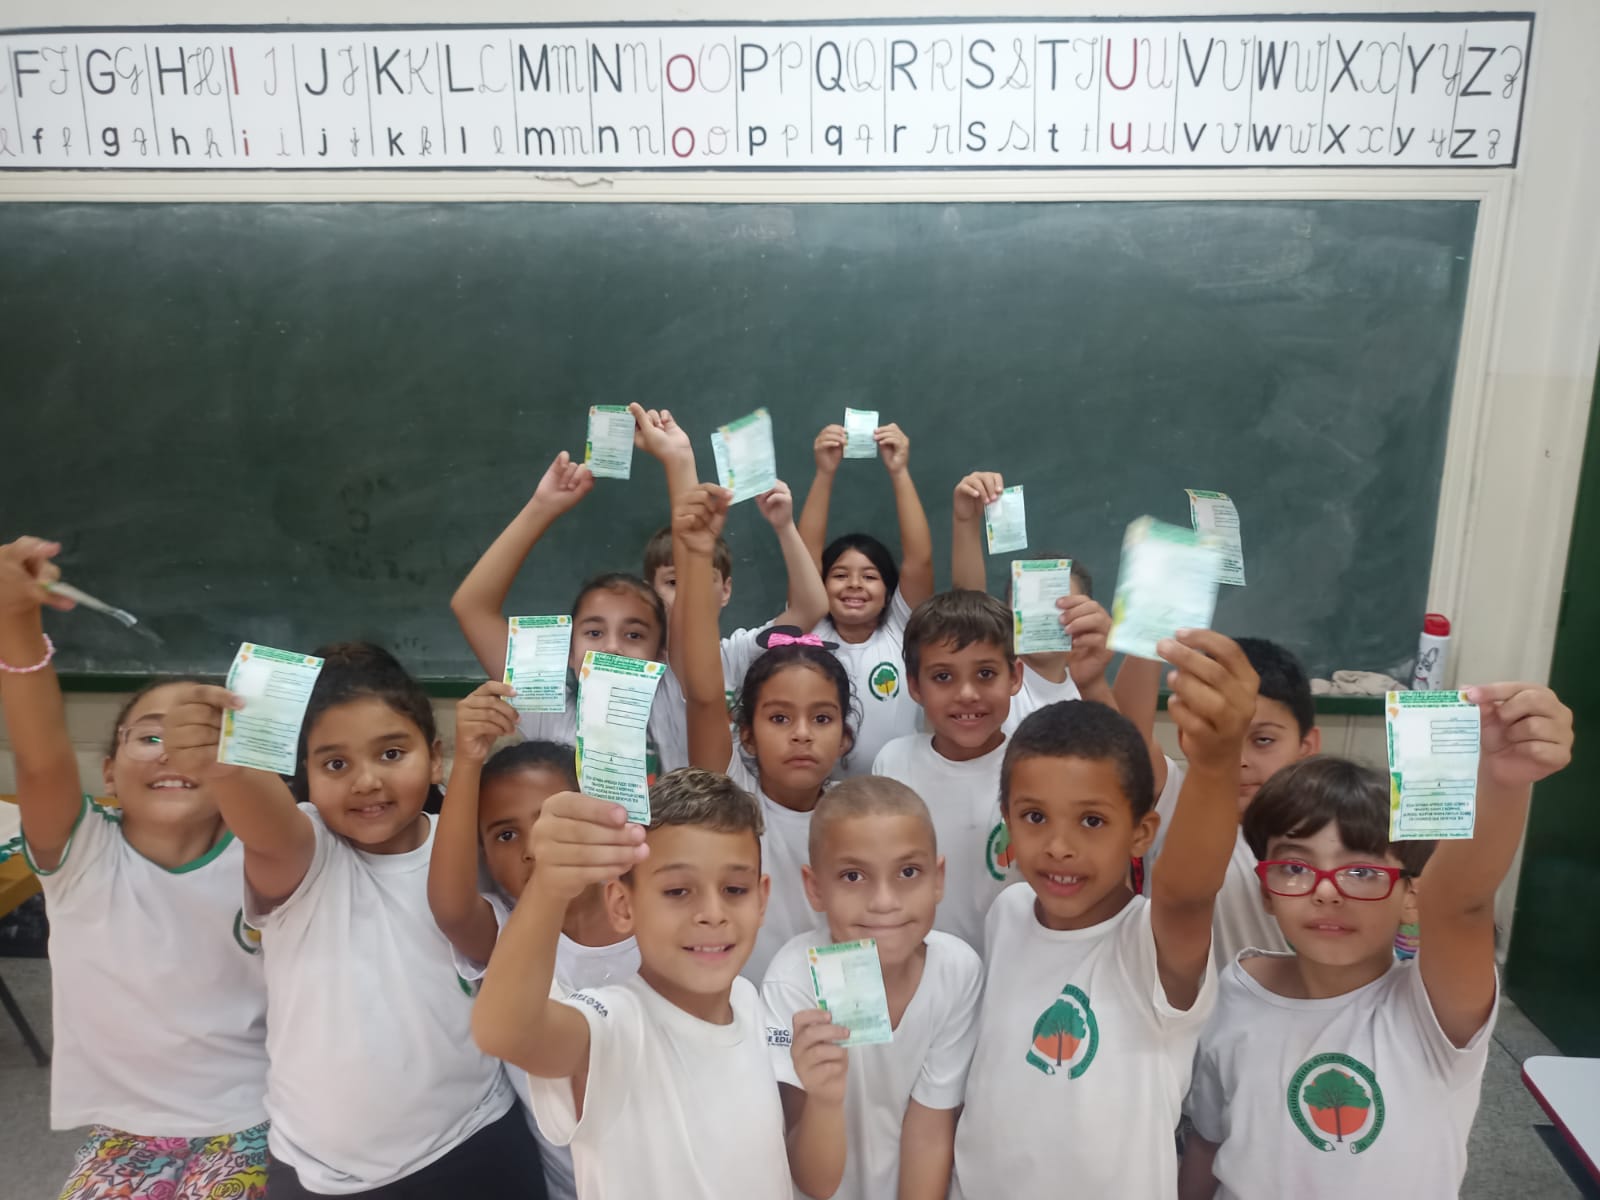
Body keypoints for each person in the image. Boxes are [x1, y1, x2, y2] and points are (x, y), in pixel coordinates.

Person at [163, 643, 540, 1197]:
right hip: (322, 1173)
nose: (366, 781)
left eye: (391, 753)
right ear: (307, 776)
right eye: (336, 764)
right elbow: (266, 823)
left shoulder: (466, 845)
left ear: (435, 758)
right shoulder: (305, 850)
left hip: (474, 1139)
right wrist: (229, 768)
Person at [1179, 682, 1572, 1200]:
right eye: (1295, 867)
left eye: (1363, 871)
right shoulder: (1237, 988)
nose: (1326, 891)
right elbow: (1208, 1143)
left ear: (1412, 897)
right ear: (1267, 892)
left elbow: (1461, 905)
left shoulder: (1433, 1012)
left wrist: (1503, 782)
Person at [0, 535, 270, 1200]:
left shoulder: (265, 849)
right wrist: (15, 619)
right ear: (110, 772)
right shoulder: (81, 853)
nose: (172, 752)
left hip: (255, 1114)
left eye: (199, 739)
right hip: (125, 1131)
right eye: (149, 736)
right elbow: (40, 756)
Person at [952, 632, 1259, 1198]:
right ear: (1007, 819)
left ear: (1141, 833)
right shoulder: (1009, 911)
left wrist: (1216, 762)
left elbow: (1187, 893)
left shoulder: (1152, 946)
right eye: (1034, 817)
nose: (1058, 847)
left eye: (1091, 821)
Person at [472, 768, 824, 1199]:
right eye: (677, 891)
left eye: (734, 889)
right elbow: (504, 1032)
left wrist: (825, 1098)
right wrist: (549, 884)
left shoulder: (748, 999)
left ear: (761, 898)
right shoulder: (618, 1024)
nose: (712, 914)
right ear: (623, 905)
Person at [426, 697, 638, 1200]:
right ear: (483, 852)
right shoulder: (506, 935)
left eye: (552, 822)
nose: (534, 848)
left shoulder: (652, 914)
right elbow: (451, 907)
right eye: (505, 834)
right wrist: (468, 759)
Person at [763, 776, 981, 1200]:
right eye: (853, 876)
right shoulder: (793, 982)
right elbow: (813, 1181)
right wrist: (824, 1100)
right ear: (815, 888)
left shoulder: (957, 971)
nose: (884, 901)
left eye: (907, 872)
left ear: (938, 878)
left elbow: (929, 1133)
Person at [673, 482, 857, 980]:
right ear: (746, 735)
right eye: (779, 718)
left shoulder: (853, 816)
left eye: (822, 718)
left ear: (845, 737)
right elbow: (705, 693)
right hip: (738, 1009)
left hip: (821, 1012)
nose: (802, 734)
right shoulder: (733, 794)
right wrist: (697, 554)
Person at [871, 588, 1113, 953]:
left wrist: (1094, 684)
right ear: (915, 686)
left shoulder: (1040, 770)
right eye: (943, 676)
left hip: (1020, 964)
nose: (967, 693)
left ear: (1015, 677)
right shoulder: (893, 762)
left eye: (985, 673)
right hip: (925, 968)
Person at [797, 420, 935, 774]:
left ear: (889, 594)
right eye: (840, 575)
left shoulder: (902, 631)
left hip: (896, 792)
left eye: (870, 577)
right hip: (820, 794)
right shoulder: (809, 630)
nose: (854, 585)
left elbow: (919, 560)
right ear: (820, 586)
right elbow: (804, 555)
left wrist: (899, 472)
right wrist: (824, 473)